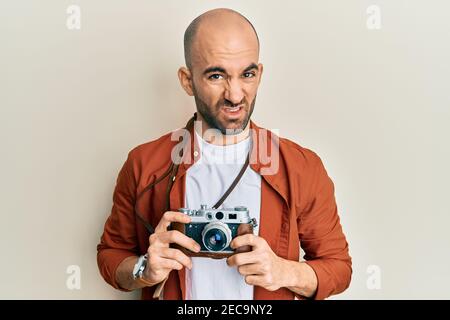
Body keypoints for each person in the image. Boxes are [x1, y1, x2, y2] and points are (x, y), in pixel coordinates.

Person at [97, 8, 352, 300]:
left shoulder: (300, 167)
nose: (235, 94)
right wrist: (144, 269)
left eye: (247, 74)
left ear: (260, 74)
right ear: (187, 80)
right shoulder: (144, 163)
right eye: (216, 75)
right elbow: (111, 255)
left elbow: (339, 268)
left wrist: (283, 271)